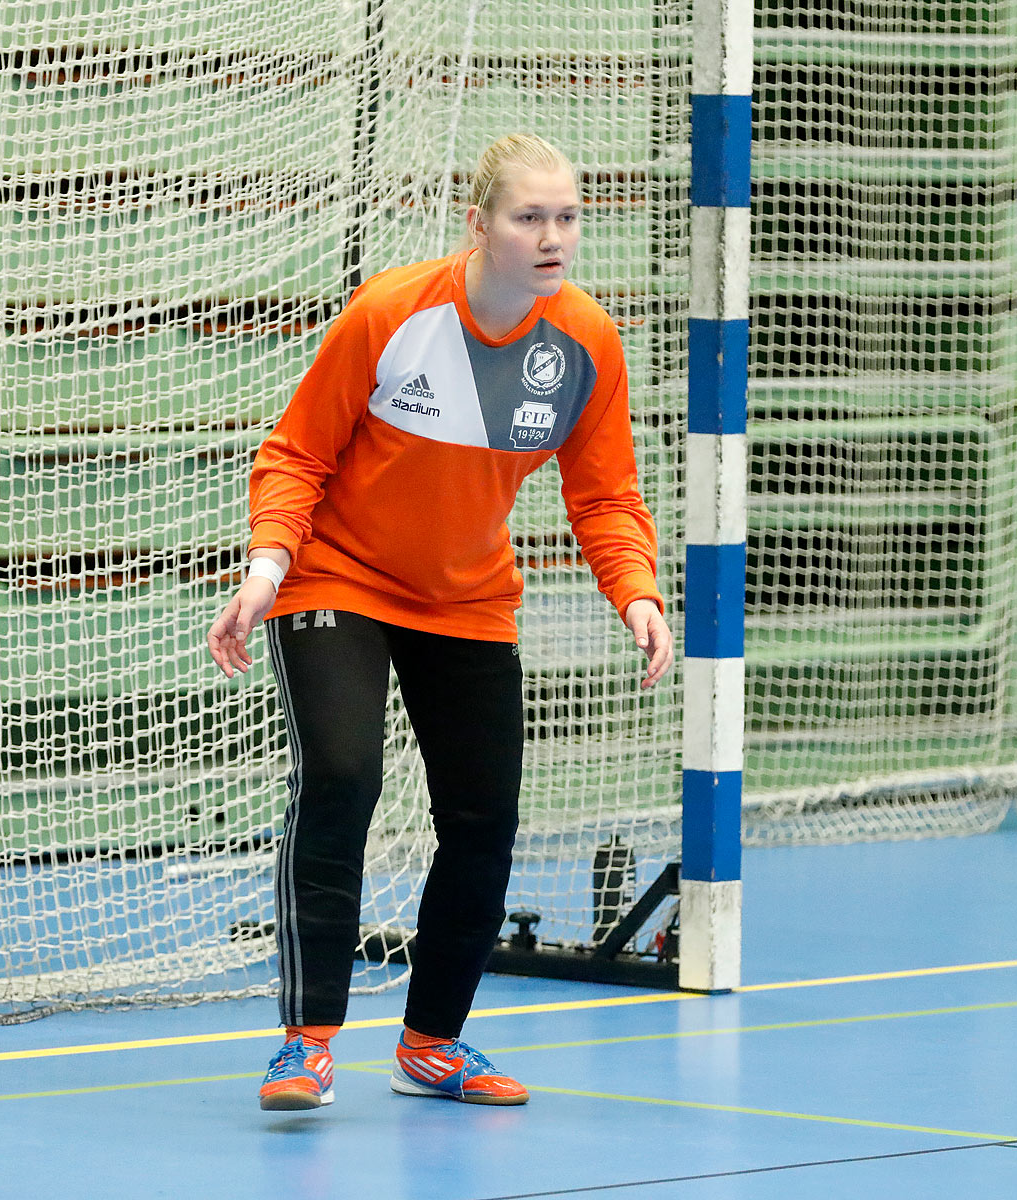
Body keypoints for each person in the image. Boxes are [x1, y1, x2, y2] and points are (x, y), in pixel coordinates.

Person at [205, 133, 672, 1112]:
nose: (552, 237)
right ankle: (306, 1042)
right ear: (480, 225)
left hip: (466, 598)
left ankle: (431, 1043)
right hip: (337, 578)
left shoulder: (585, 342)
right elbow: (295, 453)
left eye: (567, 217)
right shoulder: (392, 313)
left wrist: (634, 591)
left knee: (483, 819)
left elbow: (606, 496)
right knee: (341, 778)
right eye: (528, 217)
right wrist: (264, 567)